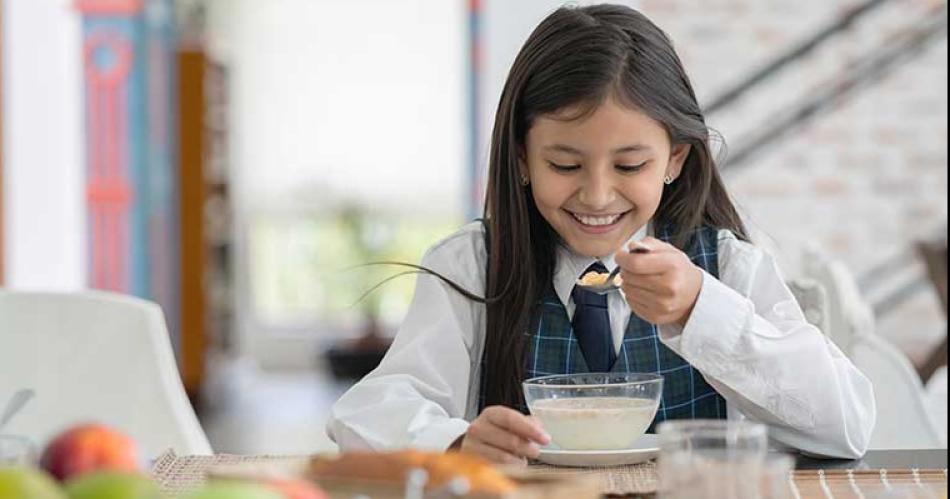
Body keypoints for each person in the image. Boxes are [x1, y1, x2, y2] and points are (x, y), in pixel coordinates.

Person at [327, 4, 875, 463]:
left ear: (674, 159)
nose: (596, 196)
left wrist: (700, 310)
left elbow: (846, 424)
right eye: (565, 166)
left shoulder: (728, 266)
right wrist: (455, 440)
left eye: (630, 165)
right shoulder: (472, 265)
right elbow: (366, 412)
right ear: (522, 159)